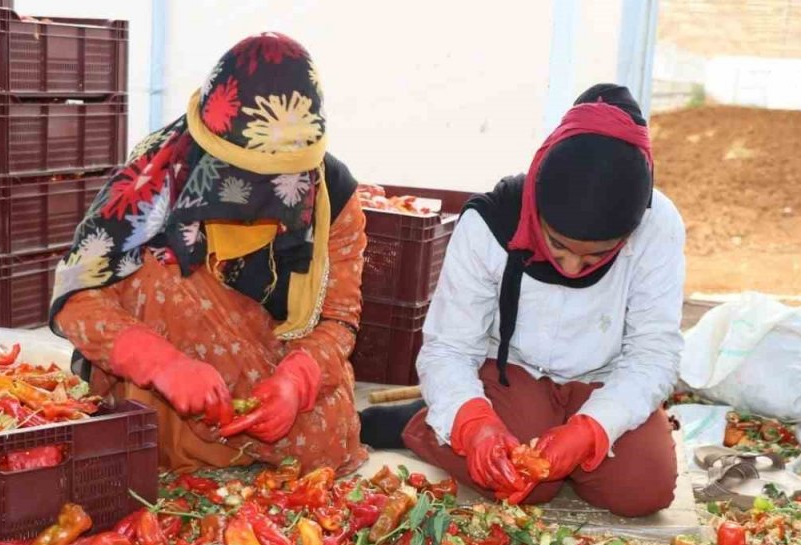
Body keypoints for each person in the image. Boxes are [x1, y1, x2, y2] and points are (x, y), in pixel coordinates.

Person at [50, 33, 368, 474]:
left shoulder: (332, 194)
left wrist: (298, 379)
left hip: (270, 363)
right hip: (167, 372)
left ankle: (241, 436)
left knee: (323, 436)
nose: (269, 196)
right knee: (155, 274)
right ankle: (177, 438)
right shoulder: (156, 177)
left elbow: (339, 317)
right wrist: (162, 365)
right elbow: (76, 296)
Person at [401, 84, 685, 515]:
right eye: (558, 246)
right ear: (536, 206)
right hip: (514, 371)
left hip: (603, 377)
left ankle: (569, 448)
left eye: (596, 254)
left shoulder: (657, 224)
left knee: (644, 491)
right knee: (523, 484)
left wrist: (591, 429)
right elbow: (449, 347)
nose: (572, 268)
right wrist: (475, 425)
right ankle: (432, 425)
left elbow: (654, 352)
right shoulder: (491, 222)